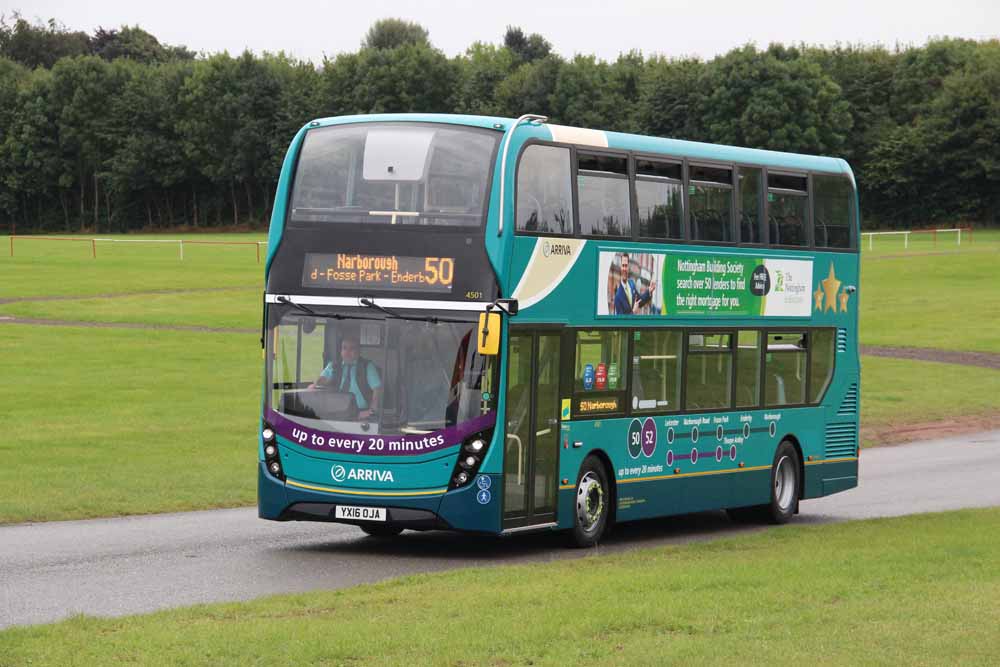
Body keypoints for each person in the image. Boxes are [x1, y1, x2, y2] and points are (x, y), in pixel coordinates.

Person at [312, 336, 382, 419]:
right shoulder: (333, 365)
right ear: (341, 351)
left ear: (359, 351)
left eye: (352, 348)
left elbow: (378, 390)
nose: (347, 352)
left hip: (361, 413)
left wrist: (371, 411)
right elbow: (319, 383)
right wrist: (327, 381)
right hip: (336, 412)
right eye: (344, 348)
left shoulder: (367, 366)